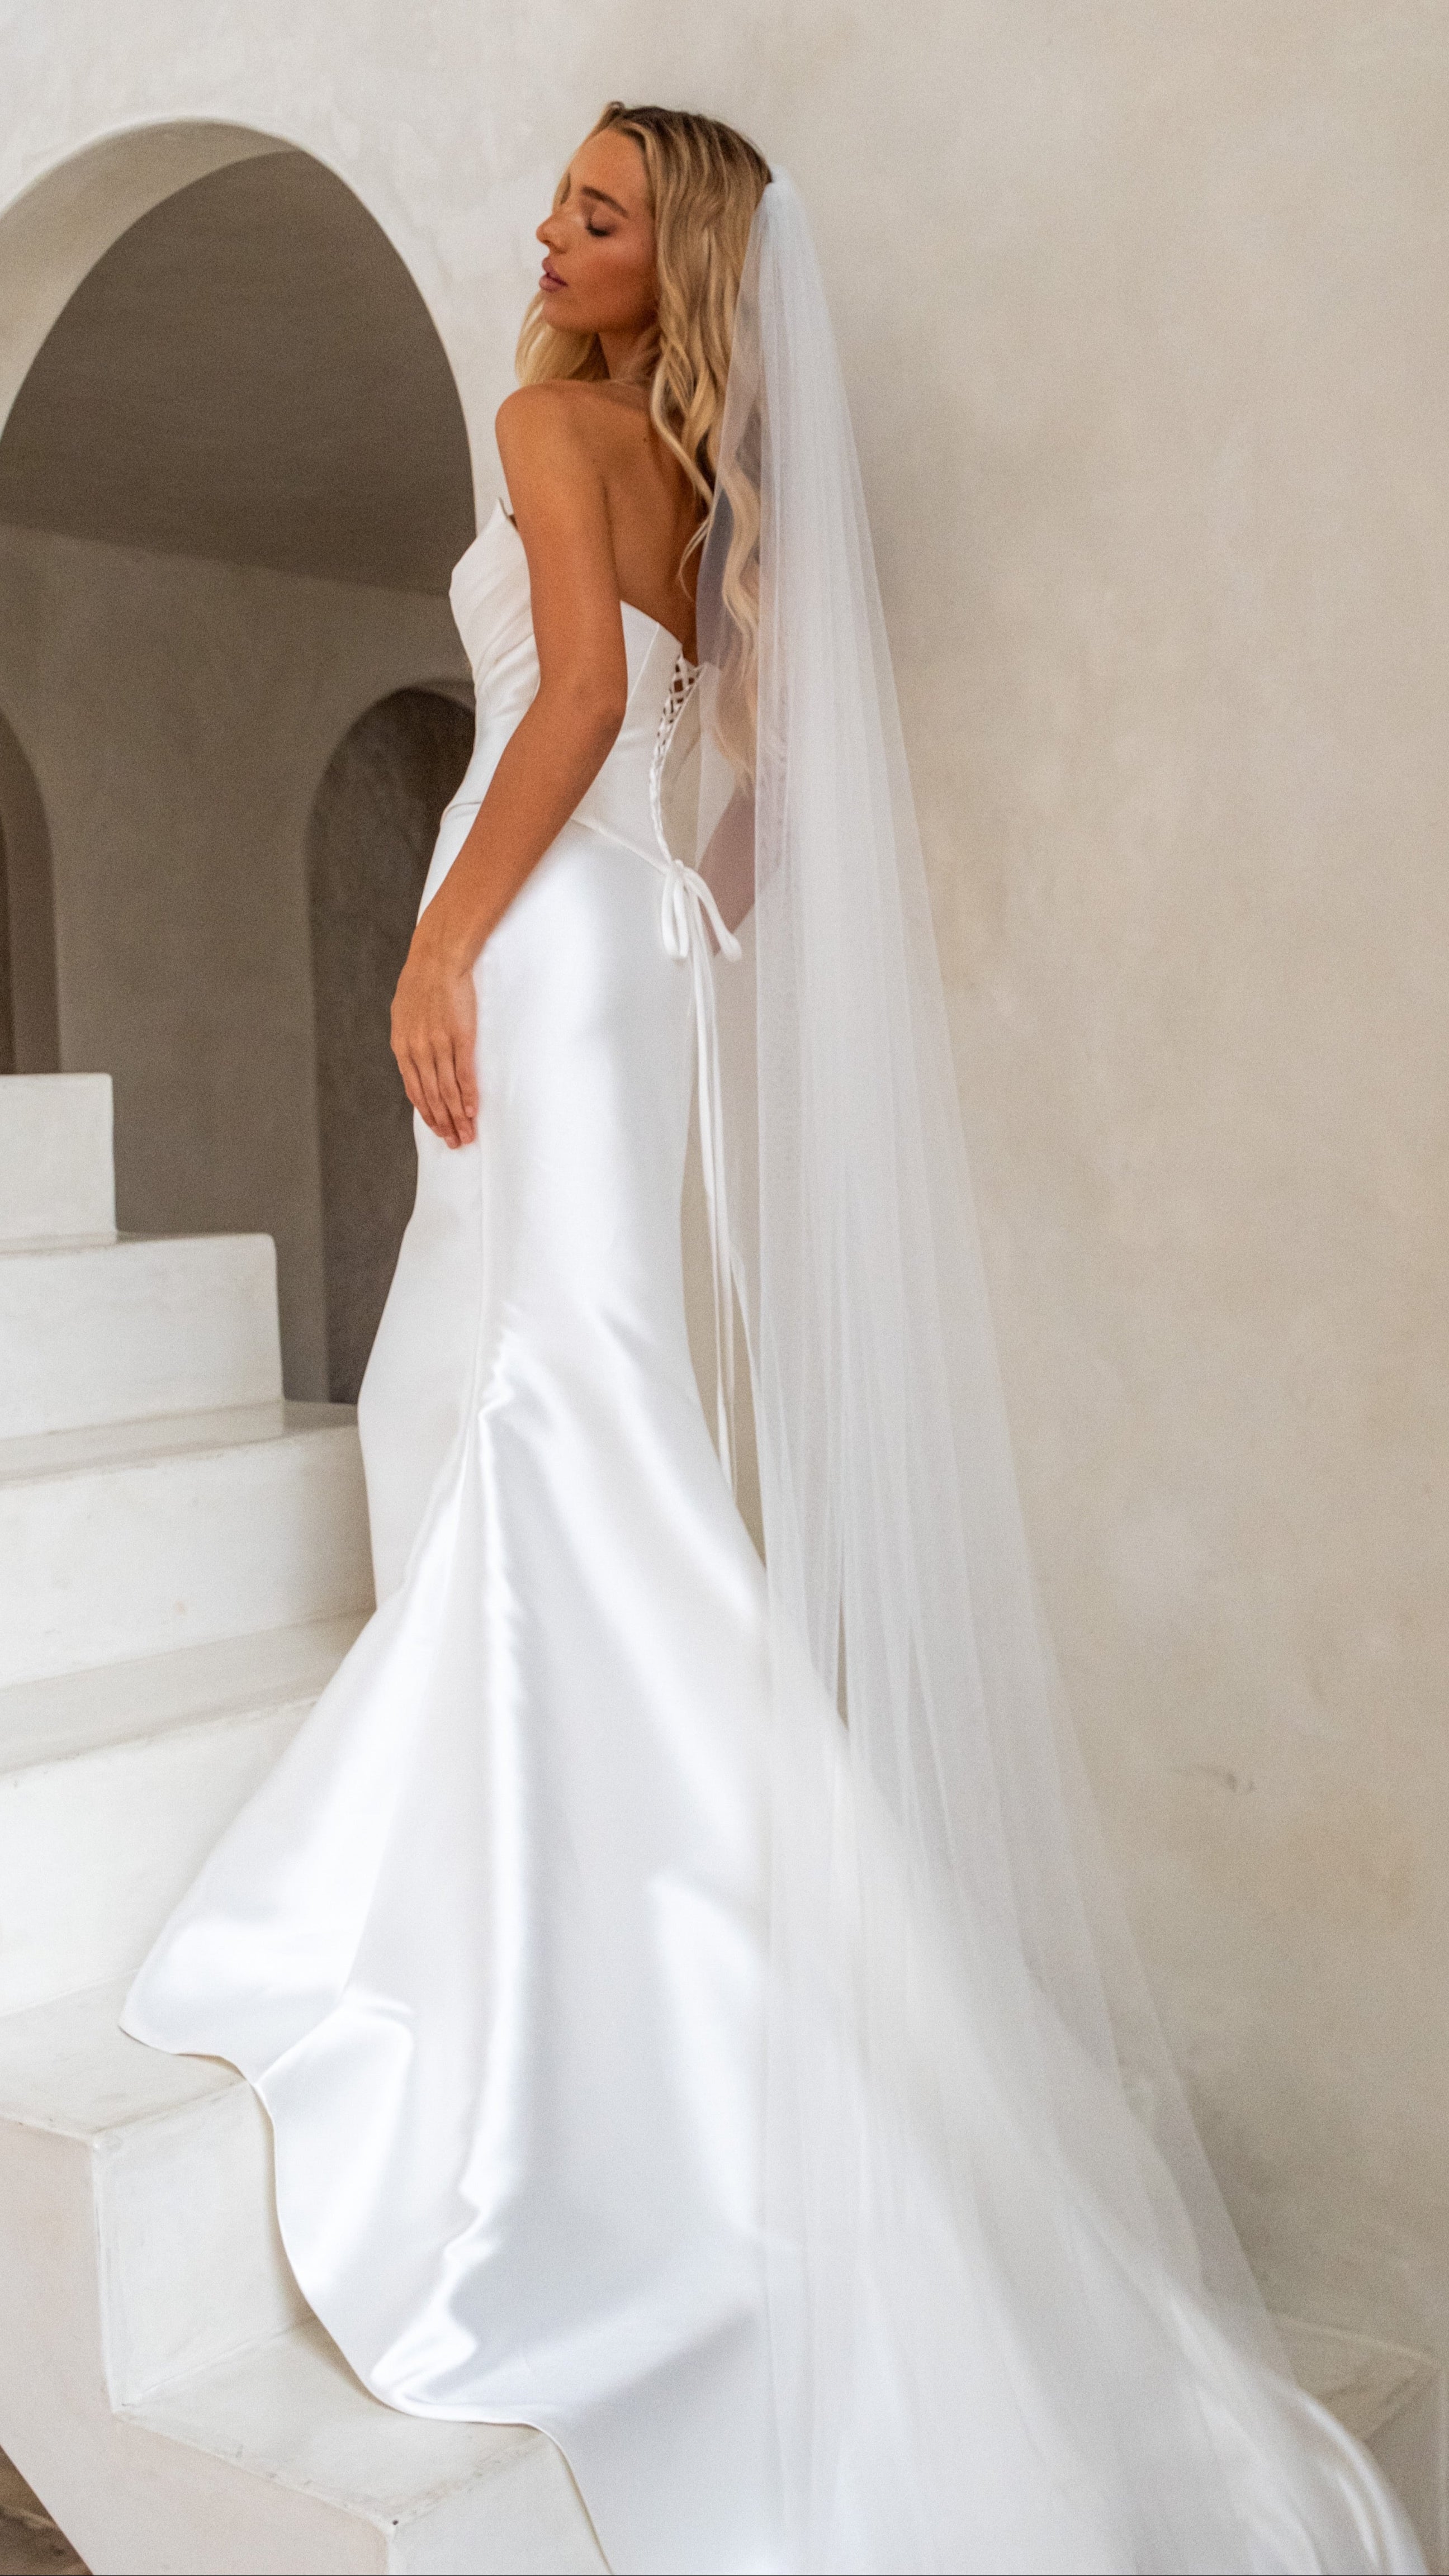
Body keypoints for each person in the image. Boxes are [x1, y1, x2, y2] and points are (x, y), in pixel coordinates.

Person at [122, 103, 1425, 2576]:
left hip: (529, 943)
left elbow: (583, 703)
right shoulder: (725, 497)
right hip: (632, 969)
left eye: (602, 215)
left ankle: (531, 2005)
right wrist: (631, 919)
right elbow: (745, 820)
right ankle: (676, 1966)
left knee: (514, 1420)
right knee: (571, 1426)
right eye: (561, 201)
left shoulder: (546, 426)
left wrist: (427, 943)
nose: (551, 236)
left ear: (676, 253)